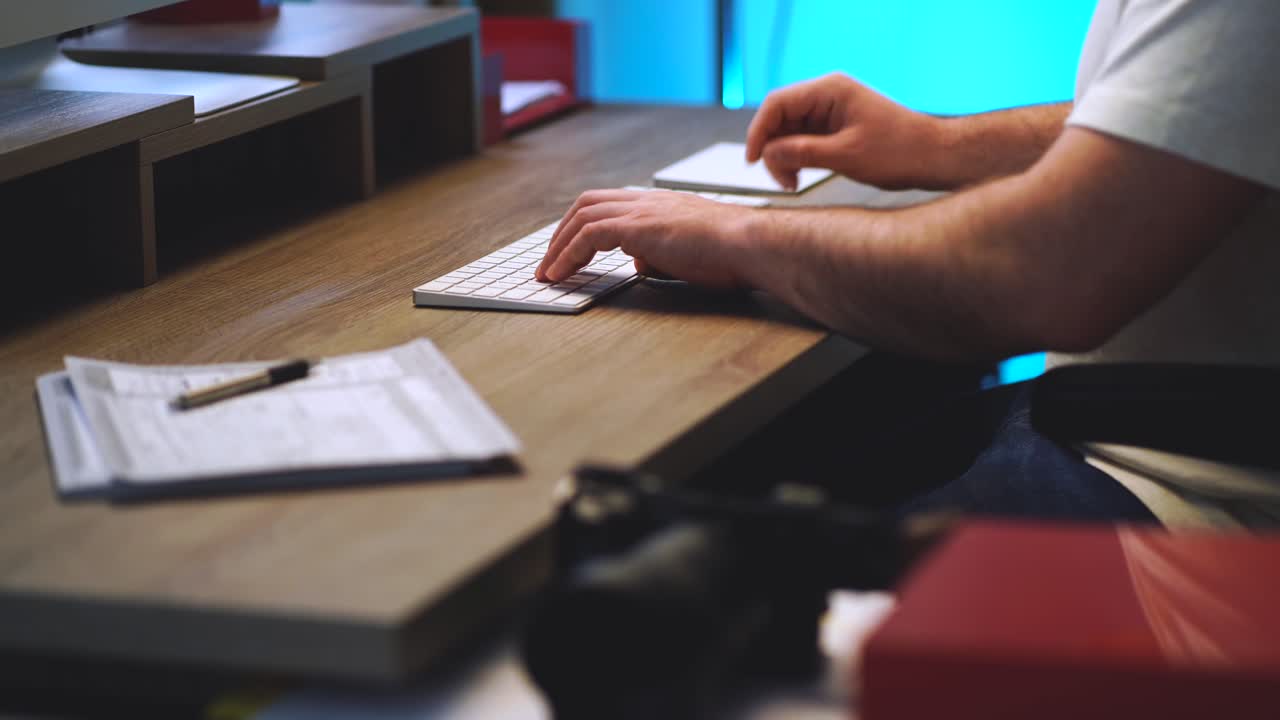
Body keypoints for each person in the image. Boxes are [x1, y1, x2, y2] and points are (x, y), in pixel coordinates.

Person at [536, 0, 1280, 529]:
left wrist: (739, 237)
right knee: (778, 467)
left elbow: (1037, 274)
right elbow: (1187, 117)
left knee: (696, 564)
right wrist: (933, 147)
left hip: (1187, 495)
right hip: (1132, 425)